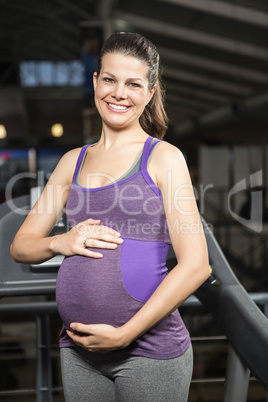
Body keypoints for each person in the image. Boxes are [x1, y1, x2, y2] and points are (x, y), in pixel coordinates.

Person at [10, 32, 210, 402]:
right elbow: (21, 247)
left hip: (149, 352)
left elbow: (196, 266)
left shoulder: (164, 158)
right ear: (95, 82)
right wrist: (61, 242)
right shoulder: (73, 161)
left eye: (133, 84)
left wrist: (125, 334)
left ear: (150, 92)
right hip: (78, 351)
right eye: (109, 79)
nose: (119, 93)